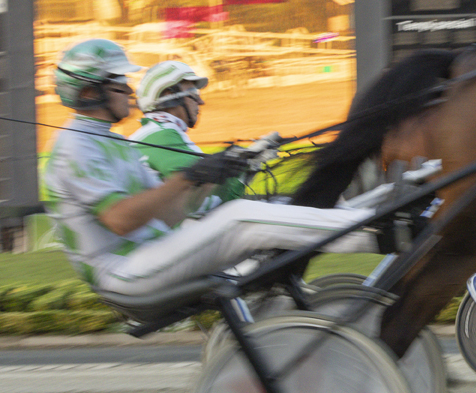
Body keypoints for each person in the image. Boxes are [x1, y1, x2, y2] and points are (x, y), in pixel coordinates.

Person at [42, 39, 380, 300]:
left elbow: (172, 214)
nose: (130, 90)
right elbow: (120, 220)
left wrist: (212, 177)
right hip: (122, 271)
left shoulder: (116, 144)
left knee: (248, 218)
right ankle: (376, 233)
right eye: (119, 84)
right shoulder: (73, 147)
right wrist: (189, 176)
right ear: (89, 92)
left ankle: (369, 224)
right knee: (241, 218)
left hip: (154, 253)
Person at [130, 60, 246, 206]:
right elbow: (215, 196)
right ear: (169, 95)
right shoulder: (162, 135)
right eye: (193, 93)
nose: (200, 101)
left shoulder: (152, 131)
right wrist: (243, 173)